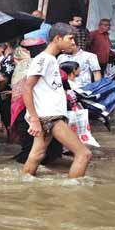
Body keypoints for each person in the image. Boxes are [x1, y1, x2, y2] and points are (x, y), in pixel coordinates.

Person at [23, 23, 92, 178]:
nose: (74, 43)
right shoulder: (44, 59)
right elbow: (27, 88)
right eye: (71, 38)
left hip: (47, 115)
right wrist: (34, 119)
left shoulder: (51, 59)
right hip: (50, 117)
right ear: (57, 38)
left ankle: (25, 183)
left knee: (37, 154)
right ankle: (71, 193)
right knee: (84, 154)